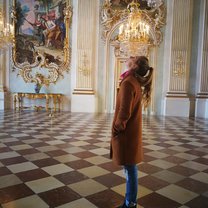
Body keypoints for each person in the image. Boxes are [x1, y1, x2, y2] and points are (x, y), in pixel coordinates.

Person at [110, 56, 153, 208]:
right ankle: (130, 202)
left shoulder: (128, 83)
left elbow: (124, 112)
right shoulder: (132, 81)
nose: (130, 57)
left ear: (134, 66)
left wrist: (116, 129)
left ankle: (130, 203)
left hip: (126, 135)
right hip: (130, 134)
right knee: (130, 168)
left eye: (133, 58)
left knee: (130, 169)